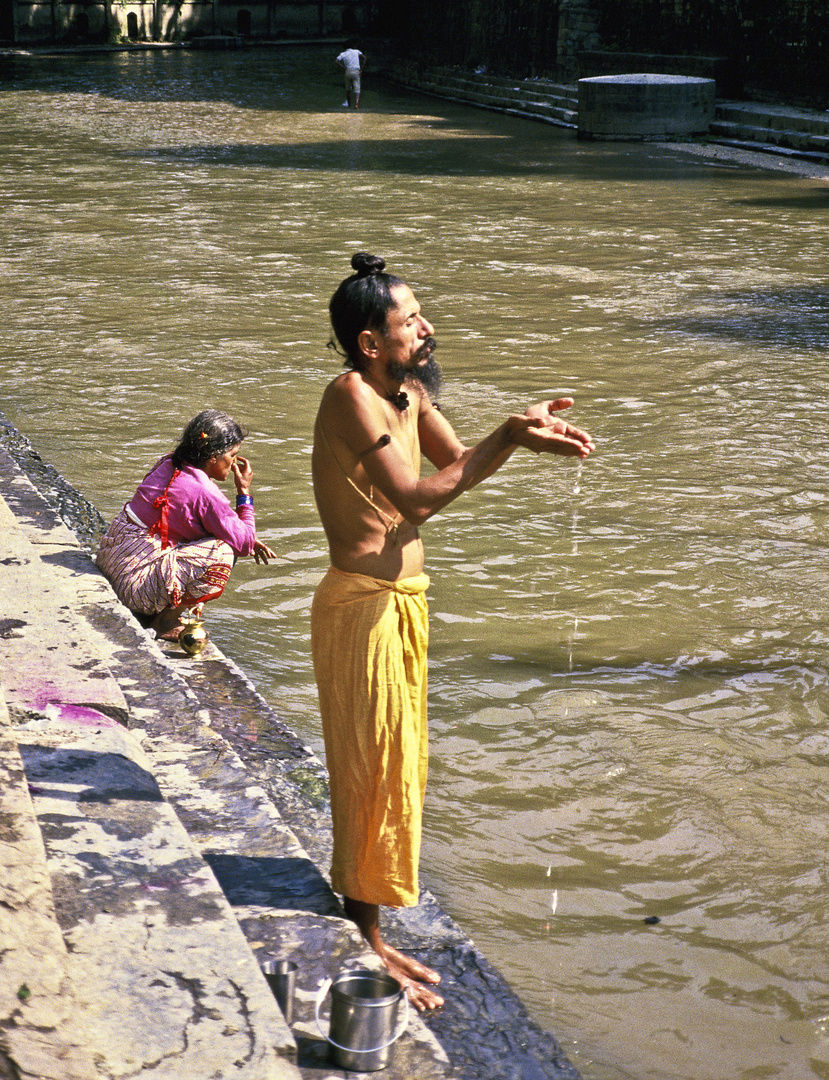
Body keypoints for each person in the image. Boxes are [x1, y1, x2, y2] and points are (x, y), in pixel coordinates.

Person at [310, 253, 595, 1010]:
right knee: (370, 768)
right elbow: (419, 498)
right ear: (371, 341)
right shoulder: (351, 396)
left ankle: (371, 921)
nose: (426, 329)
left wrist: (523, 436)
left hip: (404, 601)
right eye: (410, 321)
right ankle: (365, 940)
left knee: (400, 764)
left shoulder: (405, 392)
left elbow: (454, 461)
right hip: (362, 605)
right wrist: (505, 436)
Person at [96, 409, 276, 641]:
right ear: (213, 456)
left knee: (219, 537)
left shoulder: (169, 462)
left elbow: (177, 516)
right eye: (233, 455)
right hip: (133, 588)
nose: (233, 464)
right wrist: (244, 493)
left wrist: (239, 533)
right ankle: (166, 622)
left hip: (111, 563)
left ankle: (165, 608)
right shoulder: (205, 493)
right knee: (223, 551)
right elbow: (242, 543)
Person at [335, 42, 366, 109]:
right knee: (357, 89)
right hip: (356, 71)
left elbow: (336, 61)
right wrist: (361, 70)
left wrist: (343, 67)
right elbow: (364, 58)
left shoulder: (343, 54)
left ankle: (349, 105)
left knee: (348, 89)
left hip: (348, 71)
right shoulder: (356, 51)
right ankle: (356, 104)